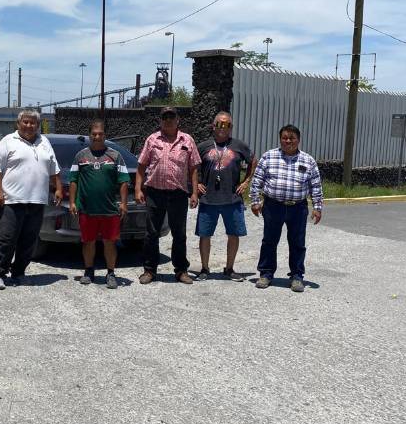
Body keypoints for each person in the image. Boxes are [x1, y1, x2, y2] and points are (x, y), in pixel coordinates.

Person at [0, 109, 62, 290]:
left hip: (37, 201)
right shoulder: (8, 141)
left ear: (38, 125)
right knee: (6, 239)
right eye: (26, 122)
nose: (29, 126)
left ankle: (19, 272)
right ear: (18, 123)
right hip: (12, 200)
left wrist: (59, 188)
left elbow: (54, 169)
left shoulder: (44, 142)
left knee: (29, 240)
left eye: (33, 123)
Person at [249, 124, 323, 293]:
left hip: (298, 208)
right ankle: (266, 274)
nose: (288, 141)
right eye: (285, 138)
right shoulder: (269, 156)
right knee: (269, 241)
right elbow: (257, 181)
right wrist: (255, 201)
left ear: (298, 140)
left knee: (297, 243)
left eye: (292, 138)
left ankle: (297, 276)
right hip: (273, 206)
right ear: (280, 139)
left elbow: (316, 186)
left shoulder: (308, 160)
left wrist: (317, 207)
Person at [134, 106, 201, 285]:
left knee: (179, 234)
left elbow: (193, 168)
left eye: (172, 117)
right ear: (160, 120)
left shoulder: (187, 140)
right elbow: (141, 165)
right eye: (165, 117)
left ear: (178, 120)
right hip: (154, 193)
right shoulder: (152, 139)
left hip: (178, 194)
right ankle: (149, 270)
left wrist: (194, 192)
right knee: (151, 234)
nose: (168, 120)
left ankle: (181, 271)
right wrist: (138, 189)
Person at [68, 120, 129, 289]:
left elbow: (124, 181)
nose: (97, 136)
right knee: (88, 242)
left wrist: (124, 203)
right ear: (89, 135)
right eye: (94, 134)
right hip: (87, 209)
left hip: (110, 209)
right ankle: (89, 271)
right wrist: (72, 202)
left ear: (105, 135)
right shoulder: (80, 156)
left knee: (110, 242)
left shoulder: (115, 155)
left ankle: (111, 273)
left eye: (100, 134)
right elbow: (73, 180)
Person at [194, 111, 255, 282]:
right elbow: (191, 166)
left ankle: (229, 269)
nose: (223, 127)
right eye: (220, 124)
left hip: (232, 198)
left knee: (234, 234)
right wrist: (196, 184)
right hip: (208, 199)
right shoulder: (203, 146)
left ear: (231, 127)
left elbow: (253, 161)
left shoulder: (239, 145)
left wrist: (246, 181)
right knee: (205, 235)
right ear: (213, 126)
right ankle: (204, 269)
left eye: (227, 124)